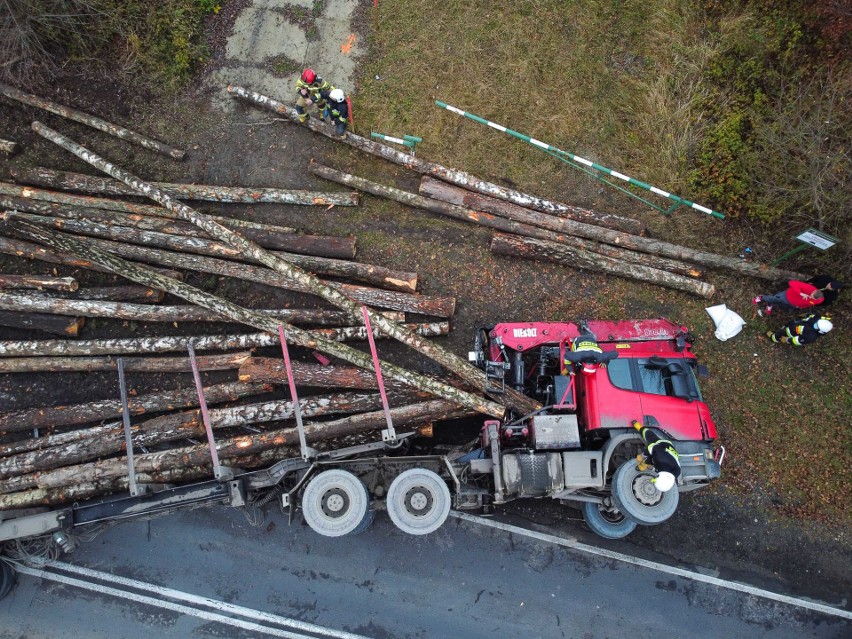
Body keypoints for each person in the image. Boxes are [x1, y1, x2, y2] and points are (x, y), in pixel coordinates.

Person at [631, 420, 680, 492]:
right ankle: (638, 426)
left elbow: (656, 465)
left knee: (651, 461)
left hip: (668, 456)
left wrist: (650, 466)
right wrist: (642, 455)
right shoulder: (660, 458)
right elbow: (653, 447)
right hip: (664, 445)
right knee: (648, 435)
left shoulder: (675, 474)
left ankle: (643, 465)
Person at [752, 280, 824, 316]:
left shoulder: (819, 301)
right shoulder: (809, 288)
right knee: (773, 298)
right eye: (811, 295)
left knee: (778, 304)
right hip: (786, 295)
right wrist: (801, 293)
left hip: (792, 304)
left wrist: (799, 306)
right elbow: (792, 283)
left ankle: (770, 305)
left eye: (813, 298)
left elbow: (809, 304)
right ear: (814, 291)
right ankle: (761, 297)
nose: (810, 297)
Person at [766, 313, 833, 346]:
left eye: (817, 326)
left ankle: (774, 338)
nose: (815, 325)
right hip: (796, 324)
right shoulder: (818, 319)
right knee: (783, 328)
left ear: (820, 331)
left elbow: (798, 340)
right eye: (816, 323)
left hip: (791, 332)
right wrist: (805, 315)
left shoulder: (811, 336)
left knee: (781, 333)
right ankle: (780, 329)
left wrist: (787, 340)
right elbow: (811, 316)